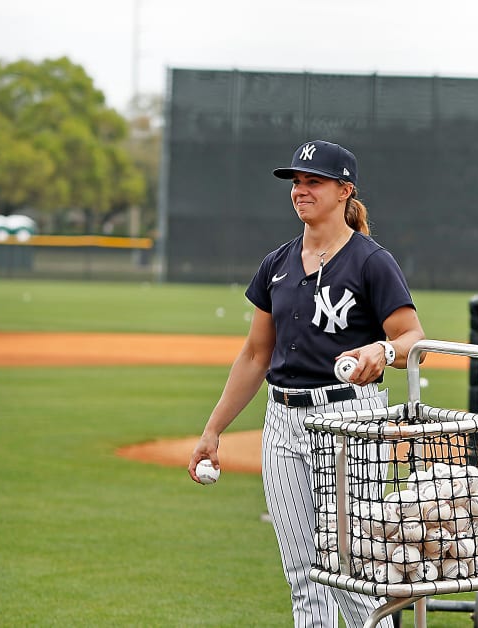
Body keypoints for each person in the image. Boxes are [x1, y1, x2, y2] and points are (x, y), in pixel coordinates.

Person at [188, 139, 425, 628]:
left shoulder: (370, 261)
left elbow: (411, 338)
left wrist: (381, 351)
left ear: (344, 190)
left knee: (350, 569)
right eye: (296, 182)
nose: (301, 190)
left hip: (350, 422)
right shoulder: (276, 264)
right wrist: (213, 431)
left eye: (313, 181)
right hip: (282, 422)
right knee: (302, 576)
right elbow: (255, 355)